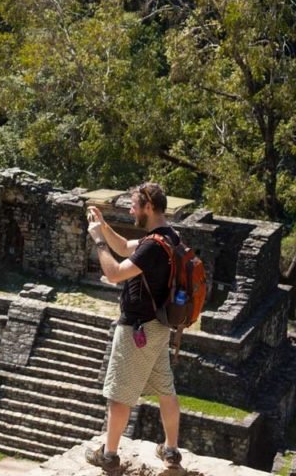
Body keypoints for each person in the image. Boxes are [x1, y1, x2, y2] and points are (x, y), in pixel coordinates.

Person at [85, 183, 183, 471]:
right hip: (158, 326)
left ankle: (109, 455)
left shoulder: (153, 246)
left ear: (149, 207)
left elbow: (115, 273)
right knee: (166, 389)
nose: (130, 210)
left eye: (134, 205)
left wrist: (97, 241)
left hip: (137, 330)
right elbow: (126, 247)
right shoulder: (168, 236)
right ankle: (171, 450)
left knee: (120, 394)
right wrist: (103, 227)